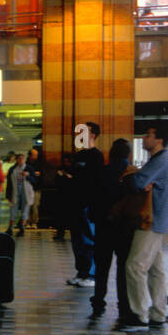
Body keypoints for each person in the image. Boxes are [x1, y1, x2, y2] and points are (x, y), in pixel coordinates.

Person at [121, 126, 168, 331]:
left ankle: (139, 314)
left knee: (134, 266)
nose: (144, 138)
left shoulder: (160, 161)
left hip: (150, 222)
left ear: (159, 140)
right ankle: (158, 312)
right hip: (157, 221)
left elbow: (138, 183)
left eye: (148, 135)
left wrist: (131, 175)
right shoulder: (160, 161)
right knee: (156, 270)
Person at [91, 138, 138, 323]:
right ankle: (123, 305)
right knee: (123, 267)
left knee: (102, 266)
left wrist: (96, 218)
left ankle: (98, 302)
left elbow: (94, 199)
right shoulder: (132, 173)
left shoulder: (102, 172)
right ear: (128, 153)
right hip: (125, 226)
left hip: (104, 226)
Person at [66, 123, 104, 287]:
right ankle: (81, 272)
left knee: (88, 240)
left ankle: (91, 274)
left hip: (88, 205)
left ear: (93, 135)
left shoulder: (97, 156)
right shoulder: (79, 155)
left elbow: (95, 181)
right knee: (77, 241)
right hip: (74, 203)